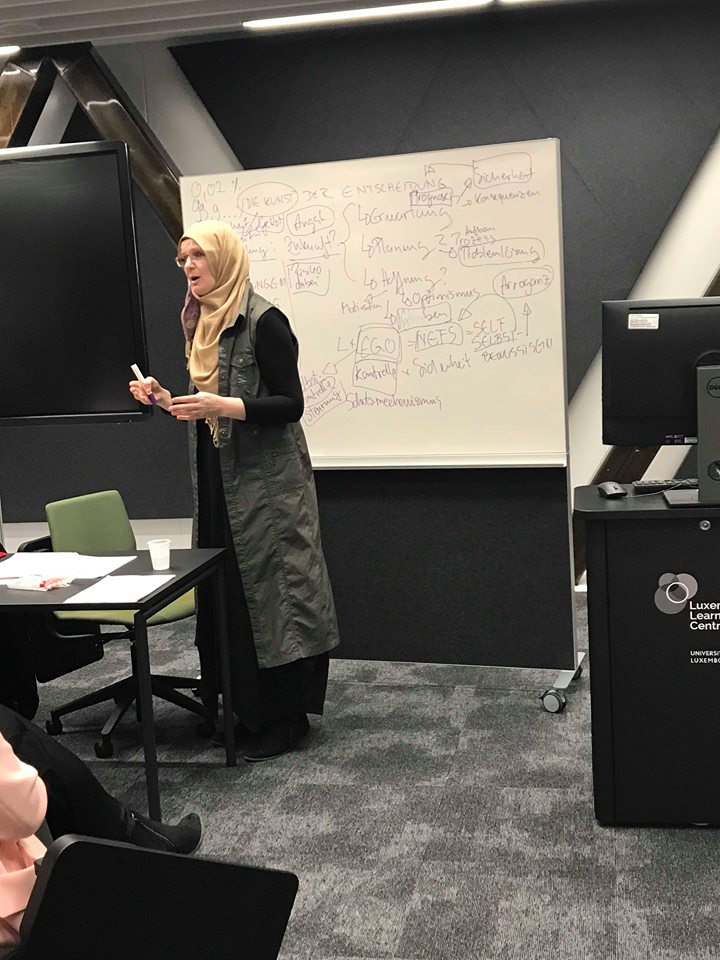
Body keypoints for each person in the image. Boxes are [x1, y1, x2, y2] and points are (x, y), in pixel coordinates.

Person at [129, 220, 340, 762]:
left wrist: (221, 405)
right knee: (227, 598)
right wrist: (165, 400)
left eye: (198, 256)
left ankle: (285, 720)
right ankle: (244, 711)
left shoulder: (264, 321)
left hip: (266, 485)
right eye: (183, 259)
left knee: (275, 598)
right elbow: (204, 409)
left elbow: (290, 404)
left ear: (224, 259)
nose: (189, 267)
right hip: (217, 477)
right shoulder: (199, 320)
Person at [0, 703, 201, 947]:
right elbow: (27, 813)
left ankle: (122, 835)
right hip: (15, 914)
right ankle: (126, 836)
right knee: (18, 733)